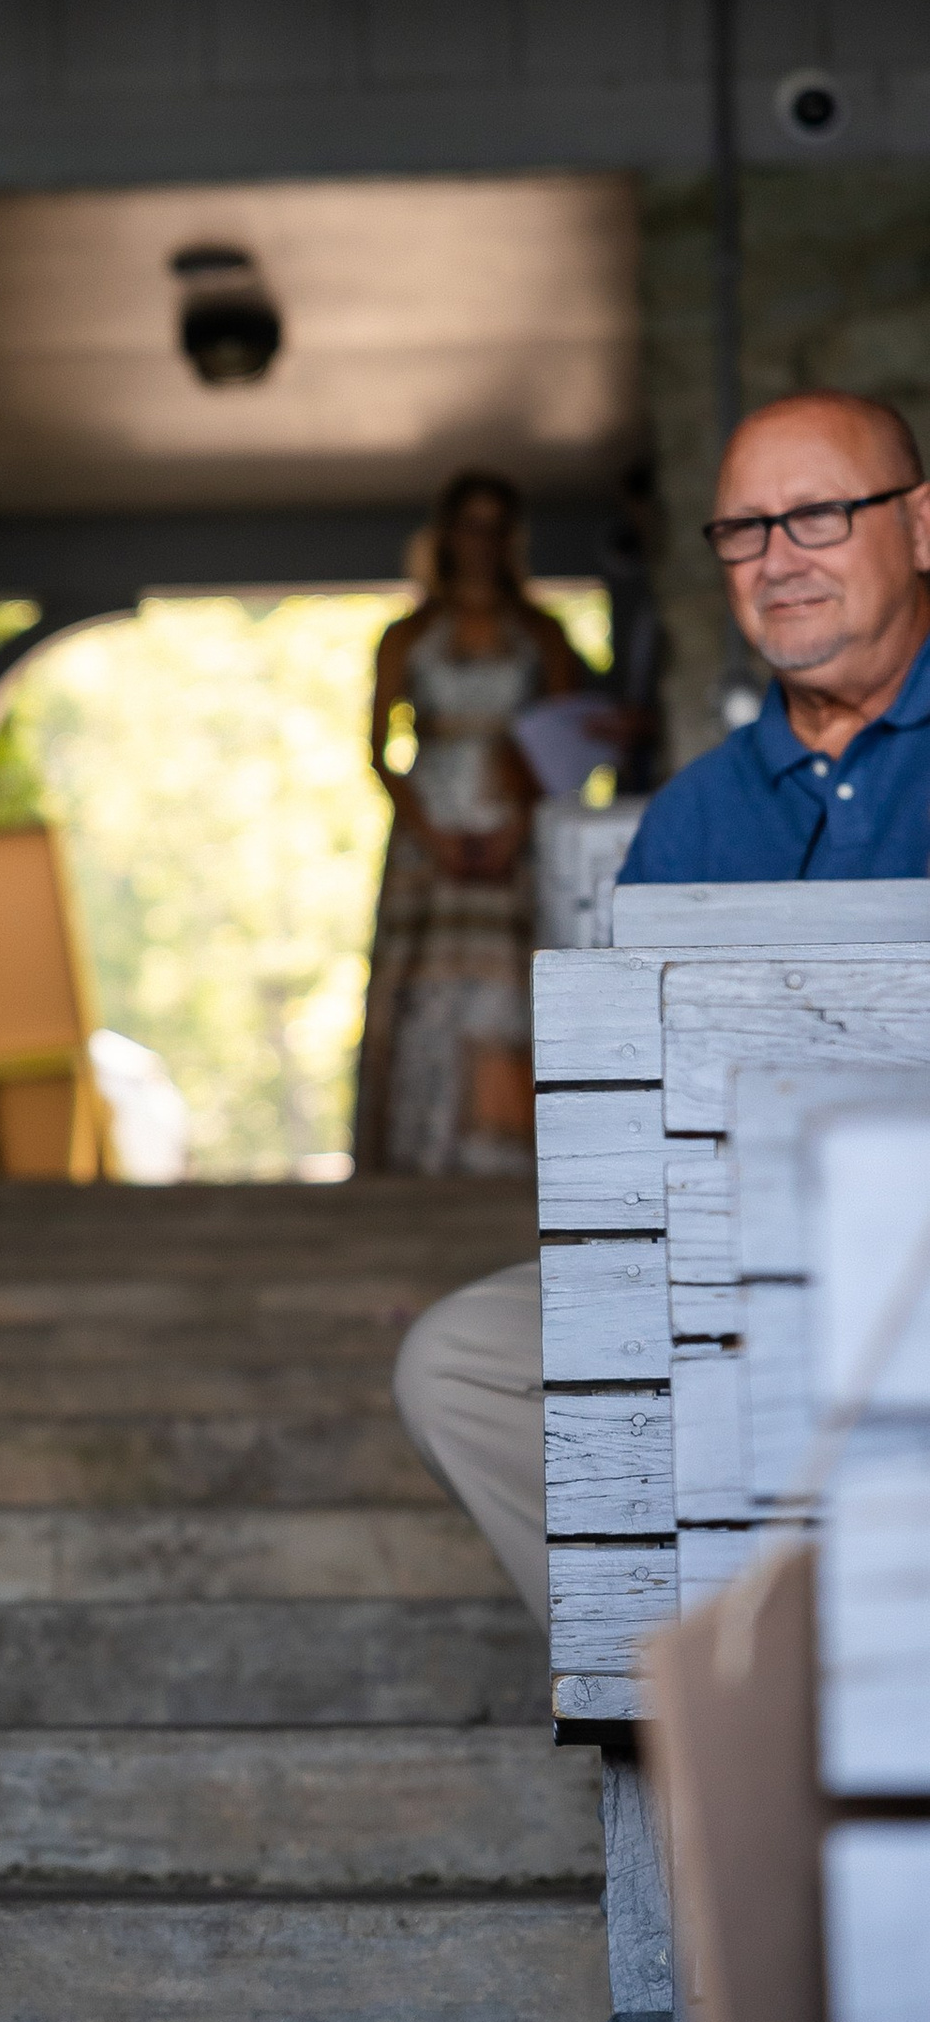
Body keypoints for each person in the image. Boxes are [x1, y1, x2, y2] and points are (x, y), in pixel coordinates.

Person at [396, 392, 930, 1626]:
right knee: (459, 1365)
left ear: (916, 527)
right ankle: (699, 1701)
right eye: (742, 530)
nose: (776, 558)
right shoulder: (693, 815)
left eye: (817, 515)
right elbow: (628, 1128)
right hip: (729, 1270)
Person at [353, 470, 588, 1178]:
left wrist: (520, 825)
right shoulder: (408, 634)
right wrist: (429, 830)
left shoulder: (543, 633)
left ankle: (507, 1157)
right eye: (469, 525)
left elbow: (567, 740)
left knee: (507, 989)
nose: (481, 543)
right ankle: (419, 1153)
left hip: (514, 835)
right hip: (430, 844)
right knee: (427, 989)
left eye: (495, 528)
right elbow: (378, 751)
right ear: (445, 534)